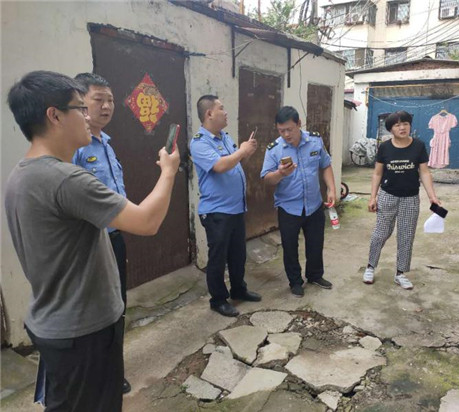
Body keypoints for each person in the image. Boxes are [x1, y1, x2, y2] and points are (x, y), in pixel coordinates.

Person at [4, 70, 180, 411]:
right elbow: (147, 222)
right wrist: (169, 171)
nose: (88, 116)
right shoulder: (65, 179)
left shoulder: (22, 173)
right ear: (55, 116)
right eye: (80, 108)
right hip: (83, 330)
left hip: (55, 321)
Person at [71, 73, 131, 394]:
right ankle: (102, 374)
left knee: (117, 305)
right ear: (80, 102)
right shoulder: (76, 148)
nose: (106, 106)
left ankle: (113, 369)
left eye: (110, 100)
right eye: (98, 99)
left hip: (115, 239)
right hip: (92, 243)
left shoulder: (105, 142)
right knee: (100, 311)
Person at [190, 95, 261, 317]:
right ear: (209, 113)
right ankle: (218, 300)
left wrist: (245, 153)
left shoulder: (225, 138)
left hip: (236, 208)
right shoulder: (199, 143)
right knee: (218, 258)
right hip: (217, 212)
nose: (226, 112)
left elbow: (234, 162)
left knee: (238, 254)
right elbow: (220, 166)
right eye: (221, 108)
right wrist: (242, 151)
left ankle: (239, 289)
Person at [260, 106, 336, 298]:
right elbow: (267, 179)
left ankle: (315, 275)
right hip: (288, 208)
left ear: (299, 124)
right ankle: (295, 281)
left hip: (314, 204)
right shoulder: (274, 149)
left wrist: (331, 189)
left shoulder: (315, 141)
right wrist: (280, 173)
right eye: (281, 130)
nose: (286, 134)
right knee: (290, 247)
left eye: (289, 129)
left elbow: (326, 165)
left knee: (315, 243)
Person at [363, 110, 441, 290]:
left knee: (406, 236)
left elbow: (424, 172)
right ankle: (370, 266)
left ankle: (400, 273)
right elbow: (377, 173)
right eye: (397, 125)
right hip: (387, 196)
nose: (402, 128)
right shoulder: (385, 147)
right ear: (391, 129)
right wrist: (373, 197)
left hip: (410, 198)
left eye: (405, 123)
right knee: (380, 233)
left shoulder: (418, 146)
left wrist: (432, 197)